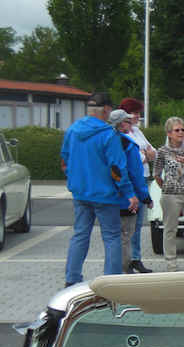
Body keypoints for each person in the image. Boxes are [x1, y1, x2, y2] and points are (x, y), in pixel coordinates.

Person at [60, 92, 138, 286]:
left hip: (80, 193)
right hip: (105, 195)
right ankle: (111, 282)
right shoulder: (108, 134)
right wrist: (129, 193)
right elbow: (116, 168)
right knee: (112, 237)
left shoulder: (72, 130)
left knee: (80, 235)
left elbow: (65, 160)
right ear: (106, 109)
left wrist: (74, 180)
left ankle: (71, 279)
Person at [153, 116, 184, 272]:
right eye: (177, 130)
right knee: (170, 230)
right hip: (171, 195)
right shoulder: (162, 151)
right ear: (169, 133)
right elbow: (157, 174)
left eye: (183, 129)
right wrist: (167, 187)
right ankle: (171, 265)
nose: (181, 132)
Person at [108, 109, 151, 273]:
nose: (131, 123)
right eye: (127, 121)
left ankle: (112, 269)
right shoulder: (127, 144)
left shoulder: (105, 141)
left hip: (108, 197)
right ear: (121, 124)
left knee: (112, 236)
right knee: (126, 235)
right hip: (127, 197)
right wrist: (144, 196)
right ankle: (125, 270)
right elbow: (134, 173)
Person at [117, 98, 156, 273]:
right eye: (134, 113)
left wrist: (145, 154)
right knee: (129, 227)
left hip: (143, 178)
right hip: (134, 182)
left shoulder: (137, 131)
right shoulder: (123, 136)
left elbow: (153, 152)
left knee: (138, 225)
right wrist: (145, 155)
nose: (138, 116)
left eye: (139, 113)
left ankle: (136, 258)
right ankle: (127, 262)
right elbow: (135, 159)